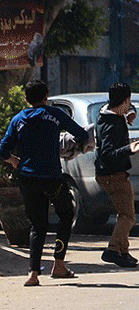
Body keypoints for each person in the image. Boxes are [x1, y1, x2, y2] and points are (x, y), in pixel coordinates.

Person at [0, 80, 88, 286]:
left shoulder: (18, 119)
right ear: (46, 96)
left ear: (26, 99)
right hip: (52, 179)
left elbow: (2, 149)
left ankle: (32, 273)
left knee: (37, 226)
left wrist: (13, 160)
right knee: (66, 216)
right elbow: (82, 134)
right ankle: (58, 265)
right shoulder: (55, 115)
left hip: (28, 179)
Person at [95, 82, 139, 268]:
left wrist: (131, 112)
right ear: (124, 100)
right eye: (128, 102)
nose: (130, 105)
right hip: (113, 175)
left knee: (124, 213)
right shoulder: (111, 124)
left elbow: (127, 107)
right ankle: (113, 250)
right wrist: (128, 149)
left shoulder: (107, 112)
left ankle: (123, 251)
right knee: (128, 216)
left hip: (109, 173)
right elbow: (107, 154)